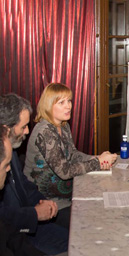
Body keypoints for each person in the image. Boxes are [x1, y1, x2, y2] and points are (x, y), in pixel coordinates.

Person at [24, 83, 118, 209]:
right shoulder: (45, 131)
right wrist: (97, 163)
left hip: (66, 193)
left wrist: (95, 158)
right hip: (45, 201)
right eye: (61, 102)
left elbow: (73, 154)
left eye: (69, 101)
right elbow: (65, 172)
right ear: (49, 105)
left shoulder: (63, 125)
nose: (68, 106)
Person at [0, 95, 59, 255]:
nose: (27, 131)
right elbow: (4, 216)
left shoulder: (10, 152)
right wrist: (35, 214)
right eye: (24, 126)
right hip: (16, 235)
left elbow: (25, 186)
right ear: (7, 129)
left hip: (29, 225)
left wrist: (44, 202)